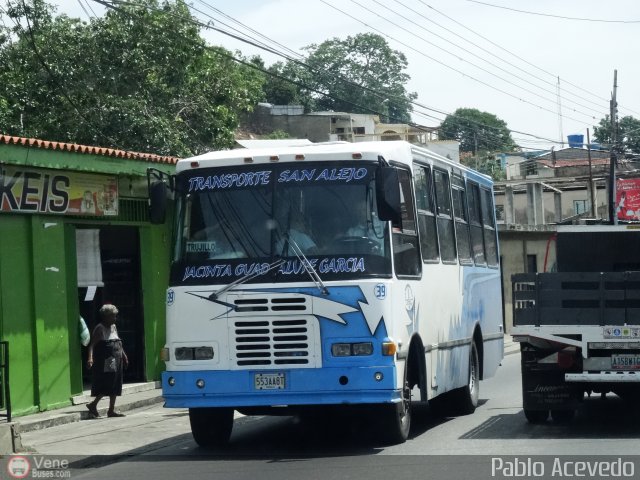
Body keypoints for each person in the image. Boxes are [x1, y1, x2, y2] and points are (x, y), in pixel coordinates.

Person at [86, 304, 128, 418]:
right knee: (109, 383)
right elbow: (92, 345)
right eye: (112, 316)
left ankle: (111, 410)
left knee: (115, 384)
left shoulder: (113, 326)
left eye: (115, 316)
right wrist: (90, 358)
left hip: (117, 358)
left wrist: (124, 355)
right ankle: (93, 404)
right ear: (105, 317)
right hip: (108, 360)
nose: (115, 319)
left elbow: (118, 341)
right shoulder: (100, 328)